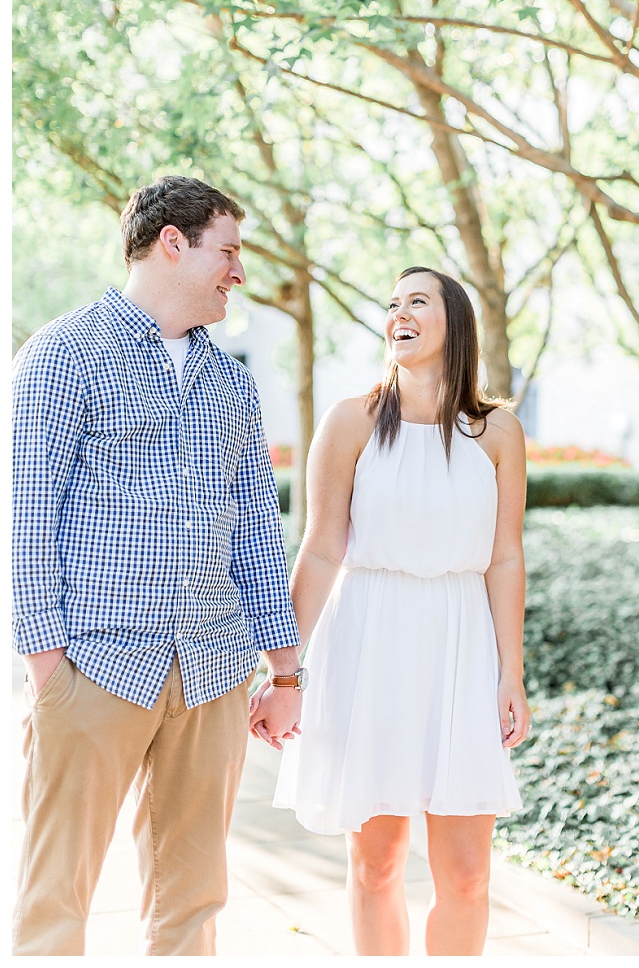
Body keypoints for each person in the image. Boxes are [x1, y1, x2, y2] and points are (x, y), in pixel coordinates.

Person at [11, 175, 304, 955]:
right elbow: (27, 518)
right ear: (172, 242)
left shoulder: (232, 383)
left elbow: (255, 538)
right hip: (95, 668)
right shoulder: (63, 353)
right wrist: (50, 673)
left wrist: (284, 672)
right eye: (229, 251)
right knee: (54, 903)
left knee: (192, 907)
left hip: (210, 675)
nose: (239, 272)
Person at [267, 265, 530, 956]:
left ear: (455, 324)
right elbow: (320, 550)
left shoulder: (498, 432)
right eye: (391, 304)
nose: (398, 314)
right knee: (376, 863)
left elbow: (505, 558)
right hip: (370, 637)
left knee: (469, 876)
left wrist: (512, 673)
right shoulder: (350, 420)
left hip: (462, 641)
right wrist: (285, 673)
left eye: (417, 301)